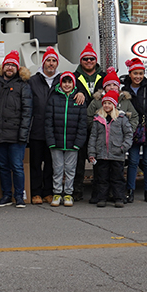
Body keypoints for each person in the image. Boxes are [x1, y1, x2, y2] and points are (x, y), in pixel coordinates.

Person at [0, 51, 33, 208]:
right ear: (2, 67)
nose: (9, 68)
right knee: (3, 166)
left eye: (13, 65)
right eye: (7, 65)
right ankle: (6, 195)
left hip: (16, 135)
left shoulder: (23, 86)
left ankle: (19, 196)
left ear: (18, 68)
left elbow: (27, 113)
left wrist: (23, 135)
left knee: (17, 166)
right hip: (0, 133)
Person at [120, 57, 147, 204]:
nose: (138, 76)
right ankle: (130, 191)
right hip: (132, 130)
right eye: (135, 73)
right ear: (130, 74)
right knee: (132, 161)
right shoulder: (124, 90)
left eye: (141, 73)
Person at [45, 71, 87, 207]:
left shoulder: (79, 99)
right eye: (65, 82)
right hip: (56, 142)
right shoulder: (54, 98)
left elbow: (82, 124)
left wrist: (78, 143)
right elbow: (48, 121)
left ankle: (68, 194)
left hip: (72, 142)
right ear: (60, 83)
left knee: (70, 169)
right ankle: (57, 193)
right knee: (57, 169)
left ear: (73, 84)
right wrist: (50, 141)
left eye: (70, 82)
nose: (67, 85)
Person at [88, 88, 134, 208]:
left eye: (109, 103)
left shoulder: (121, 119)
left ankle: (119, 197)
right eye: (105, 103)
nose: (107, 105)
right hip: (102, 154)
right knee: (102, 178)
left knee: (117, 178)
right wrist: (92, 152)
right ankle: (102, 198)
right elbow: (93, 137)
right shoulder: (98, 120)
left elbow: (129, 134)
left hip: (117, 154)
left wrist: (123, 147)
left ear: (114, 105)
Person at [71, 43, 103, 201]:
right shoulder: (73, 77)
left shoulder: (103, 76)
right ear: (81, 60)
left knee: (99, 158)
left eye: (92, 59)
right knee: (78, 159)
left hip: (100, 125)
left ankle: (98, 191)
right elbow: (67, 91)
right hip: (80, 124)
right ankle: (77, 190)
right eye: (85, 59)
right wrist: (78, 92)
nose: (89, 61)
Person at [27, 47, 60, 204]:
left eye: (54, 61)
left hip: (54, 130)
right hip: (37, 128)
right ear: (43, 62)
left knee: (51, 163)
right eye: (48, 60)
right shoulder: (33, 80)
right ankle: (36, 192)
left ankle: (48, 191)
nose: (51, 64)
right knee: (35, 163)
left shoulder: (62, 80)